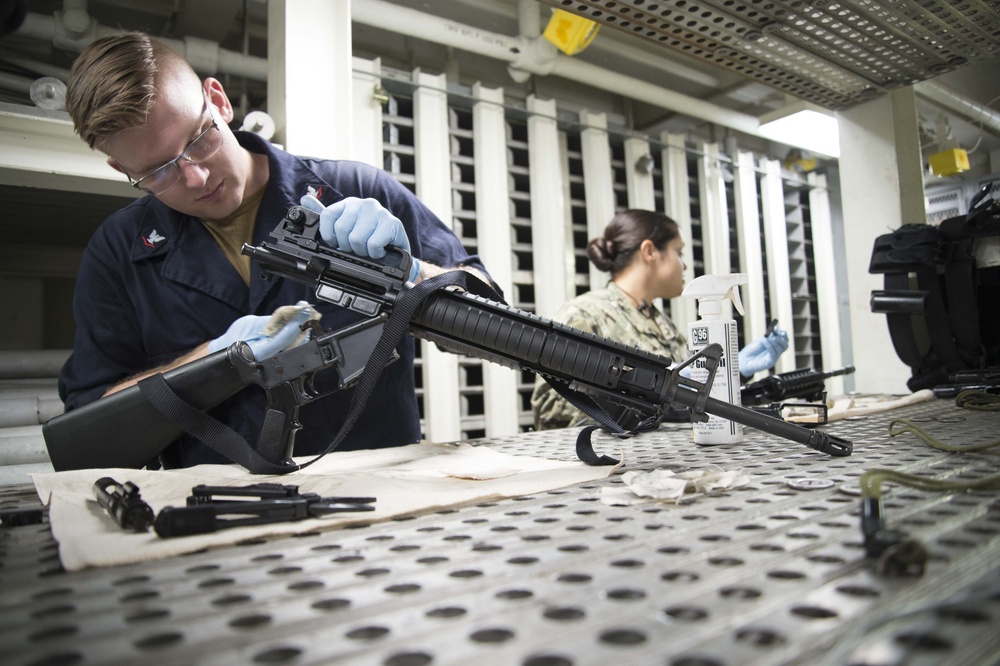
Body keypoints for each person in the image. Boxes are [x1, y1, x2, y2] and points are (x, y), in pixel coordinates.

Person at [59, 32, 492, 468]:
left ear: (219, 101)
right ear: (121, 169)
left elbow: (494, 329)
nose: (196, 178)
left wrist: (416, 277)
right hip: (220, 514)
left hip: (384, 499)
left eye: (197, 139)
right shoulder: (118, 252)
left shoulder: (356, 191)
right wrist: (207, 364)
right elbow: (90, 428)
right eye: (158, 171)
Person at [531, 209, 787, 430]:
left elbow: (687, 400)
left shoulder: (664, 326)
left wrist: (734, 372)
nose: (684, 266)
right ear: (650, 251)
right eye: (679, 252)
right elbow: (550, 411)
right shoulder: (585, 316)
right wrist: (635, 396)